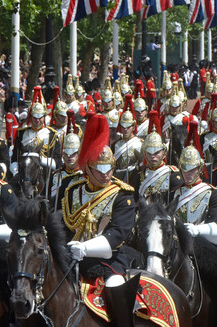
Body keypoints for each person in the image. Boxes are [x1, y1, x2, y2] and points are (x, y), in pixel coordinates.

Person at [60, 114, 137, 326]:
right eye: (100, 169)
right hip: (69, 257)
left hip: (108, 260)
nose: (106, 174)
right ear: (88, 168)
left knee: (115, 284)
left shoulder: (123, 194)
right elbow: (61, 223)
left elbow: (117, 235)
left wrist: (84, 248)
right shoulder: (72, 190)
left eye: (109, 168)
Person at [172, 143, 217, 244]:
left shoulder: (212, 193)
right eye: (184, 169)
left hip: (202, 244)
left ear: (199, 168)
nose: (187, 173)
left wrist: (198, 230)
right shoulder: (175, 192)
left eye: (192, 169)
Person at [48, 131, 84, 209]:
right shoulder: (56, 175)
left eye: (73, 153)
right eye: (66, 153)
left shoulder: (84, 176)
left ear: (79, 153)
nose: (69, 156)